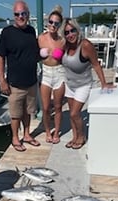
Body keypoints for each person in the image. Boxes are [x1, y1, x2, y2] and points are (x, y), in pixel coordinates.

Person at [61, 18, 115, 149]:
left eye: (72, 30)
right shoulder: (66, 46)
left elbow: (96, 65)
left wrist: (104, 84)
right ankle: (74, 137)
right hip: (70, 84)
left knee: (75, 113)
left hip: (83, 85)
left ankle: (81, 136)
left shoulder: (85, 45)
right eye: (67, 32)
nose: (70, 35)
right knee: (72, 114)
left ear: (77, 30)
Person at [0, 1, 40, 152]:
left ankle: (27, 135)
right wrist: (2, 80)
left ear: (28, 14)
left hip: (31, 81)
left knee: (28, 111)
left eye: (23, 13)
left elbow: (34, 53)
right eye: (17, 14)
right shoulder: (7, 33)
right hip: (15, 83)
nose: (20, 16)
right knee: (16, 114)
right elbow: (1, 58)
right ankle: (15, 138)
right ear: (13, 16)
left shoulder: (31, 31)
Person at [38, 6, 65, 144]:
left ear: (60, 25)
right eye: (51, 22)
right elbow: (33, 55)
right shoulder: (40, 38)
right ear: (47, 22)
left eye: (56, 23)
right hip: (46, 74)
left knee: (59, 106)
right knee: (46, 107)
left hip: (60, 73)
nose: (53, 25)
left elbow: (70, 57)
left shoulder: (62, 40)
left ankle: (57, 132)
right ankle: (48, 131)